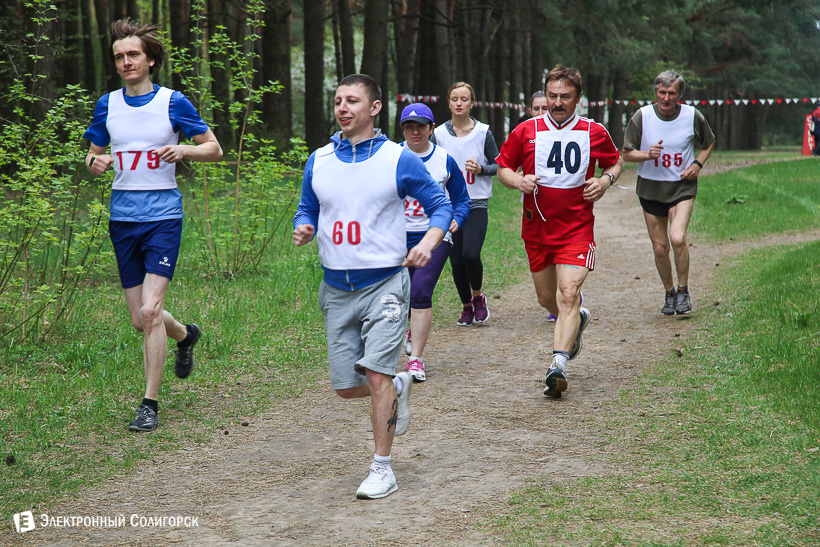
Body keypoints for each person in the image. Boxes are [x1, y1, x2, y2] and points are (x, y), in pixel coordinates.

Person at [293, 75, 452, 499]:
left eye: (352, 101)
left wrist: (428, 243)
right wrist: (304, 226)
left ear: (375, 108)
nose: (342, 108)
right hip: (335, 289)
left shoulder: (398, 159)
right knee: (346, 387)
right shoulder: (319, 159)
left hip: (384, 285)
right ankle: (397, 386)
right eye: (338, 101)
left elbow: (441, 205)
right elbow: (307, 206)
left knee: (377, 375)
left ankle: (382, 468)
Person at [84, 19, 223, 432]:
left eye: (133, 55)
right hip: (122, 219)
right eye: (119, 57)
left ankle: (149, 404)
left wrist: (184, 150)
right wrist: (96, 162)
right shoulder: (108, 104)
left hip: (163, 217)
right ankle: (185, 335)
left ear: (151, 60)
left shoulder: (172, 102)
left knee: (150, 311)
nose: (126, 62)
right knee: (139, 319)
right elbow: (91, 155)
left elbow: (213, 149)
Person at [496, 64, 622, 398]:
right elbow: (503, 168)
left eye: (565, 96)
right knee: (547, 298)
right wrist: (518, 181)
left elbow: (615, 162)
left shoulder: (594, 131)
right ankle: (576, 319)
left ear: (578, 98)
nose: (557, 102)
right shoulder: (526, 130)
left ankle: (558, 366)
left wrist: (605, 181)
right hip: (537, 229)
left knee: (567, 293)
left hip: (576, 229)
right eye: (552, 95)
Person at [622, 70, 715, 316]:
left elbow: (709, 142)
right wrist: (646, 154)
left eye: (671, 93)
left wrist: (697, 164)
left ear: (679, 95)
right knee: (660, 247)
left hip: (681, 186)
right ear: (656, 92)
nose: (666, 98)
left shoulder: (692, 116)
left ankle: (683, 291)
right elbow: (626, 153)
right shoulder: (642, 116)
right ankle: (669, 292)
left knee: (677, 237)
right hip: (651, 188)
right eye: (662, 92)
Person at [399, 103, 471, 382]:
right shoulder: (392, 157)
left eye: (420, 126)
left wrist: (458, 219)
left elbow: (461, 199)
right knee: (402, 294)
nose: (415, 132)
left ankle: (416, 360)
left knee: (420, 292)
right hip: (396, 237)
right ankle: (412, 327)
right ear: (403, 130)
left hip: (436, 235)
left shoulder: (444, 159)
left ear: (431, 128)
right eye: (409, 127)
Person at [432, 82, 499, 326]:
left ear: (472, 103)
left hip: (475, 202)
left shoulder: (483, 132)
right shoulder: (439, 134)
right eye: (455, 99)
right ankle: (466, 306)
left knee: (470, 254)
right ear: (448, 103)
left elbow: (499, 164)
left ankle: (478, 297)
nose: (459, 103)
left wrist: (482, 169)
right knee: (456, 260)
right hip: (448, 204)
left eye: (464, 99)